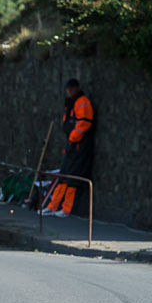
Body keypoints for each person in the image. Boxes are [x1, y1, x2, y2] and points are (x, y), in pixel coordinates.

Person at [41, 78, 95, 217]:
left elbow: (84, 124)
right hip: (72, 145)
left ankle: (66, 209)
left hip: (78, 145)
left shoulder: (82, 102)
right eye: (68, 89)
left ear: (77, 88)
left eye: (71, 88)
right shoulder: (72, 103)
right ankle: (53, 206)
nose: (69, 91)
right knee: (63, 176)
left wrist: (72, 138)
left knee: (72, 178)